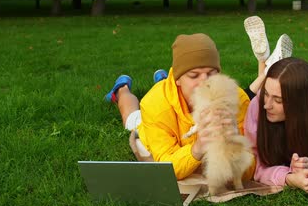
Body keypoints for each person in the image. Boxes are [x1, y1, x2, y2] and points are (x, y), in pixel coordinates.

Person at [104, 33, 254, 181]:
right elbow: (165, 166)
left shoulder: (237, 100)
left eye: (211, 73)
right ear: (178, 79)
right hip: (152, 125)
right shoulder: (154, 105)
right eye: (194, 75)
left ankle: (162, 79)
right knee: (131, 116)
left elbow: (250, 169)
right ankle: (121, 89)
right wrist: (198, 148)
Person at [242, 17, 308, 193]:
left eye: (278, 100)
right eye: (266, 94)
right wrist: (288, 177)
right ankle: (266, 62)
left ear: (300, 104)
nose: (266, 105)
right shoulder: (256, 107)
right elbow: (255, 165)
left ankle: (268, 60)